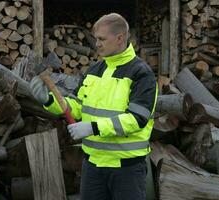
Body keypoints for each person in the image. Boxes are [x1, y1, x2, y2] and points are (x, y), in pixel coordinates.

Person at [30, 13, 158, 200]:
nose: (96, 44)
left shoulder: (141, 73)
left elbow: (136, 119)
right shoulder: (94, 70)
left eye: (101, 39)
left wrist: (92, 127)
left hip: (126, 169)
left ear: (120, 38)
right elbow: (77, 107)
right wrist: (48, 101)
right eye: (96, 38)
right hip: (92, 166)